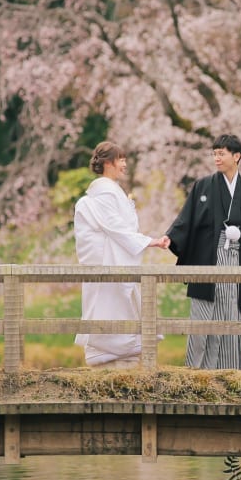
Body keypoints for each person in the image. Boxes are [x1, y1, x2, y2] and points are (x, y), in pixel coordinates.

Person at [167, 133, 241, 369]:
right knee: (204, 312)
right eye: (214, 153)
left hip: (236, 257)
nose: (216, 158)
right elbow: (187, 219)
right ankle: (197, 369)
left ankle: (230, 369)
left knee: (230, 312)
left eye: (222, 153)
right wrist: (171, 238)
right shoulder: (203, 185)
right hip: (209, 256)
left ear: (237, 156)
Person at [74, 141, 169, 368]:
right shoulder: (105, 194)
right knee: (109, 301)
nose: (125, 164)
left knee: (117, 303)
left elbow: (121, 229)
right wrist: (150, 241)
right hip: (107, 258)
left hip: (114, 255)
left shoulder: (110, 191)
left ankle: (116, 347)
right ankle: (107, 347)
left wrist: (144, 241)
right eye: (121, 159)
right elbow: (116, 228)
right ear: (108, 163)